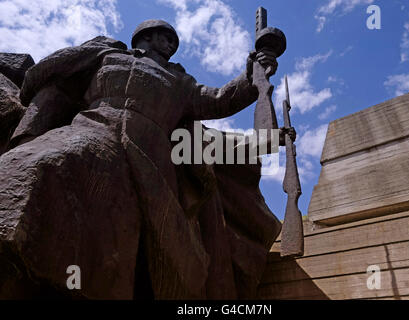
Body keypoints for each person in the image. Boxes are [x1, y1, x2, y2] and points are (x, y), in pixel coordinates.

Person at [0, 20, 287, 299]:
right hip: (93, 126)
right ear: (146, 36)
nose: (171, 45)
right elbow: (52, 75)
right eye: (166, 38)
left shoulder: (181, 81)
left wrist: (253, 73)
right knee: (47, 161)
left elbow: (220, 99)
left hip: (151, 156)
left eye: (173, 41)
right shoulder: (105, 56)